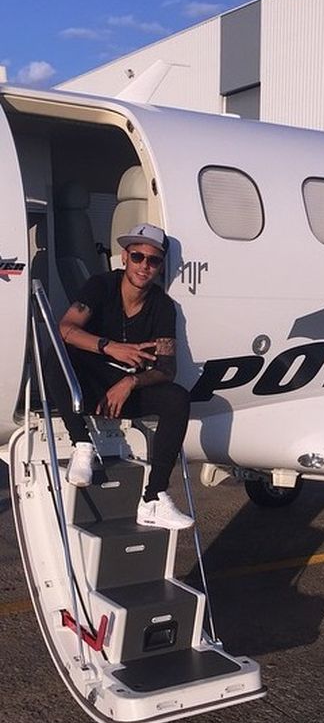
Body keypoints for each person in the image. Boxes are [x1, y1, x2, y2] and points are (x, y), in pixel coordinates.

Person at [48, 222, 193, 530]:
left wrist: (130, 382)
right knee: (56, 354)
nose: (144, 266)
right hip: (91, 382)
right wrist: (111, 348)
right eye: (138, 257)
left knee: (177, 398)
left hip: (125, 388)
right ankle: (82, 443)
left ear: (159, 266)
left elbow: (167, 369)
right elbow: (65, 329)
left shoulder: (163, 306)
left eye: (153, 260)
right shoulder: (101, 286)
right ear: (125, 257)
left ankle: (154, 498)